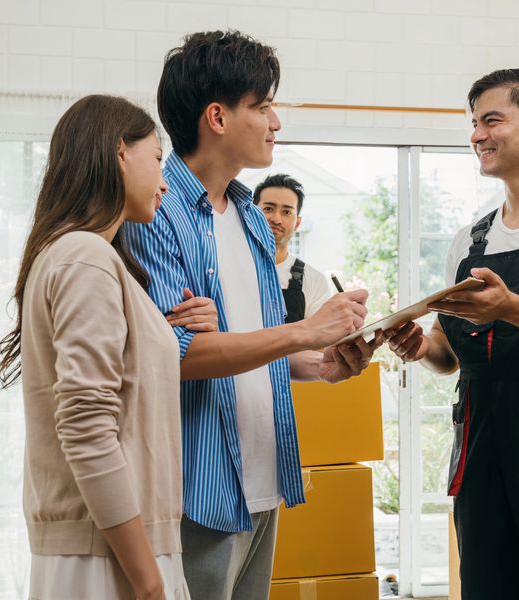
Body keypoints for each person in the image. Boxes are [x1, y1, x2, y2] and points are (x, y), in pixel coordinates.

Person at [123, 31, 380, 600]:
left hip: (265, 477)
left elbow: (254, 350)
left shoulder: (252, 219)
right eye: (262, 106)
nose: (276, 121)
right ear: (217, 116)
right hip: (198, 489)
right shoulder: (155, 215)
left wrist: (323, 363)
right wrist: (304, 330)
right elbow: (178, 358)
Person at [0, 95, 218, 600]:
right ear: (121, 151)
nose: (164, 182)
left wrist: (162, 333)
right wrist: (147, 582)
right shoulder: (86, 257)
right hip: (111, 552)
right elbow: (86, 426)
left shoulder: (81, 256)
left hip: (112, 542)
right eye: (157, 159)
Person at [385, 69, 519, 599]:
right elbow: (450, 355)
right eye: (473, 123)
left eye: (492, 120)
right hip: (482, 451)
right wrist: (421, 347)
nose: (476, 135)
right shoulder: (471, 241)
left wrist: (509, 307)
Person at [253, 173, 331, 322]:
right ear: (251, 214)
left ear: (297, 223)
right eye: (268, 209)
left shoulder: (315, 281)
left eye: (286, 212)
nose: (276, 219)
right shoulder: (230, 268)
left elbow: (319, 341)